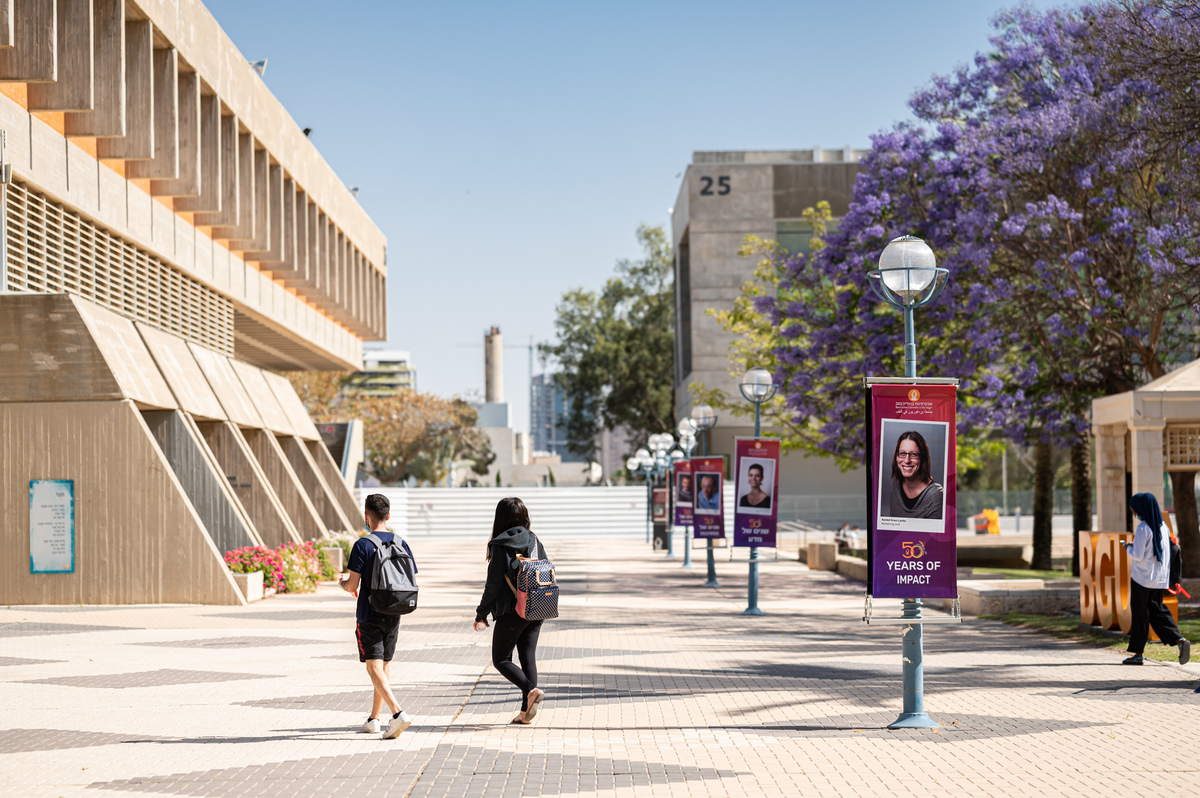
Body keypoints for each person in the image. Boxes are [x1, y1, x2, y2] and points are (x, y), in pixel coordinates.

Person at [339, 493, 417, 738]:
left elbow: (352, 586)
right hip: (394, 611)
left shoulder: (363, 545)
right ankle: (374, 719)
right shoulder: (400, 542)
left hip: (369, 614)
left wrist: (342, 583)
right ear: (388, 516)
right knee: (382, 667)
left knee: (373, 669)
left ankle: (397, 714)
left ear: (366, 516)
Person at [473, 497, 548, 724]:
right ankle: (526, 713)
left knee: (501, 659)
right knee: (528, 659)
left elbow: (493, 585)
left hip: (513, 610)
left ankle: (530, 690)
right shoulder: (534, 540)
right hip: (537, 606)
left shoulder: (500, 544)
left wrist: (481, 614)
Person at [1121, 493, 1191, 665]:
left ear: (1141, 508)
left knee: (1140, 616)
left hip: (1141, 579)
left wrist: (1126, 547)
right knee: (1157, 611)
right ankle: (1179, 640)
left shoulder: (1143, 528)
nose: (1133, 511)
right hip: (1159, 580)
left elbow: (1137, 556)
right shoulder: (1163, 528)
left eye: (1134, 508)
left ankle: (1138, 654)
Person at [887, 431, 944, 519]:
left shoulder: (935, 495)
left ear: (923, 458)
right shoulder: (896, 485)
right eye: (902, 453)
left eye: (913, 454)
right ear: (896, 456)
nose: (906, 460)